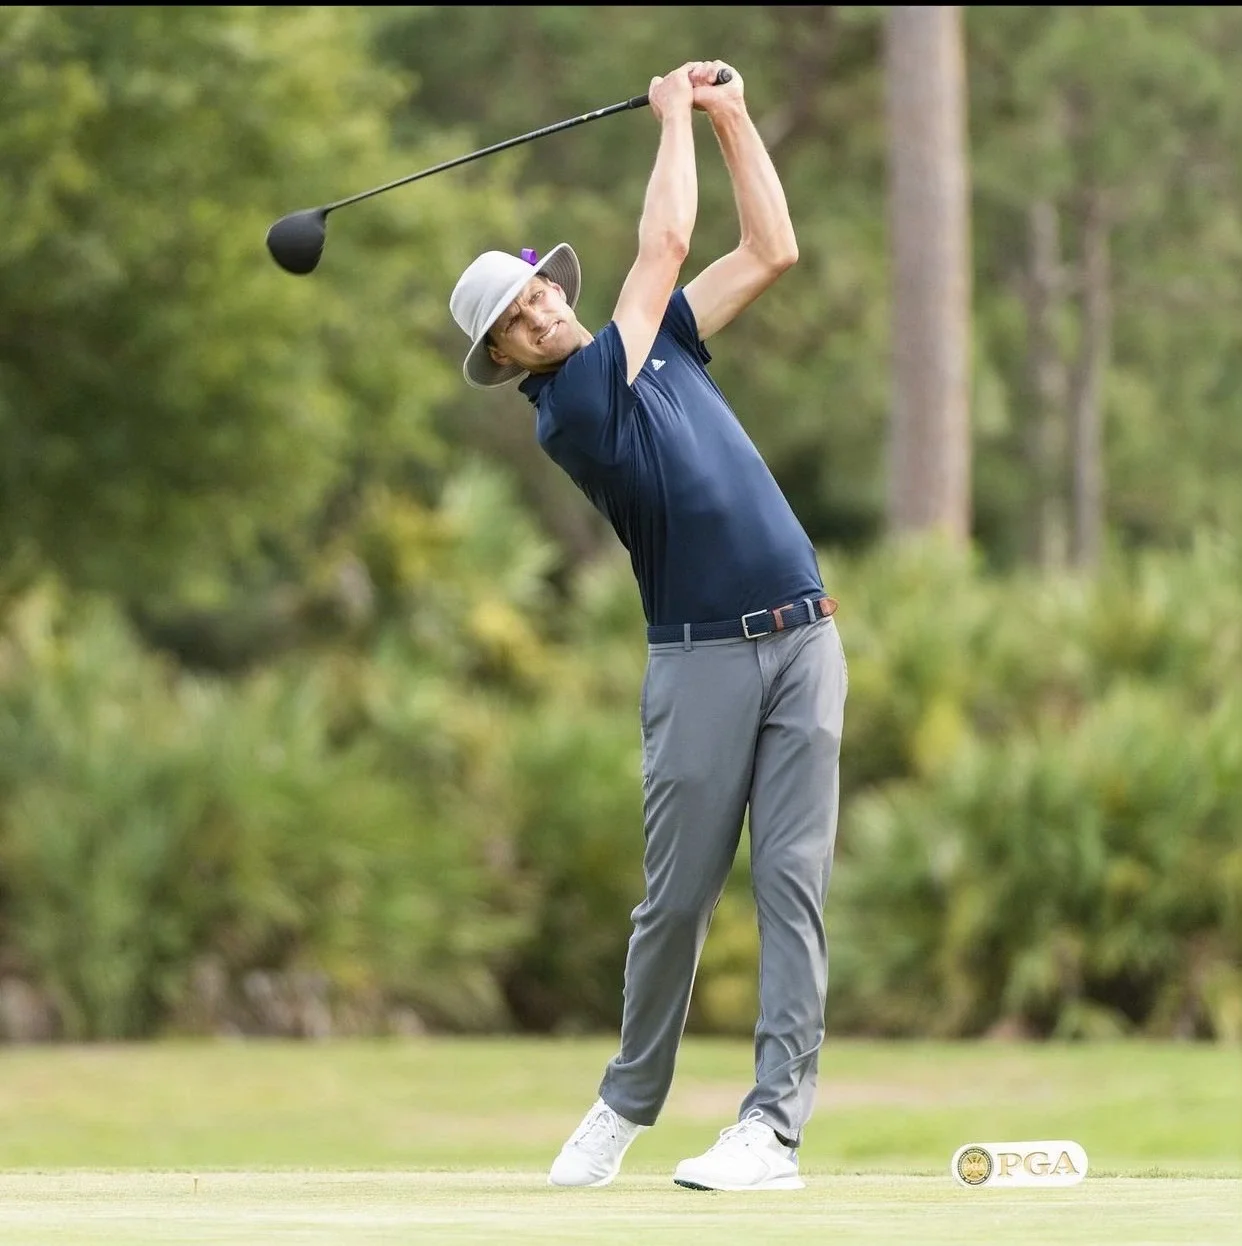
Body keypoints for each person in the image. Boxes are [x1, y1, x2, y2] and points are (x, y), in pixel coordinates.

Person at [448, 60, 848, 1193]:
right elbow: (663, 245)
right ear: (505, 361)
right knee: (676, 898)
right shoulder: (574, 407)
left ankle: (772, 1128)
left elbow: (770, 250)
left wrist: (731, 119)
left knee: (794, 886)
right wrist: (669, 115)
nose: (542, 312)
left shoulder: (658, 340)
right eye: (518, 321)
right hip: (702, 661)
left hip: (807, 637)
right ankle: (627, 1104)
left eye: (538, 294)